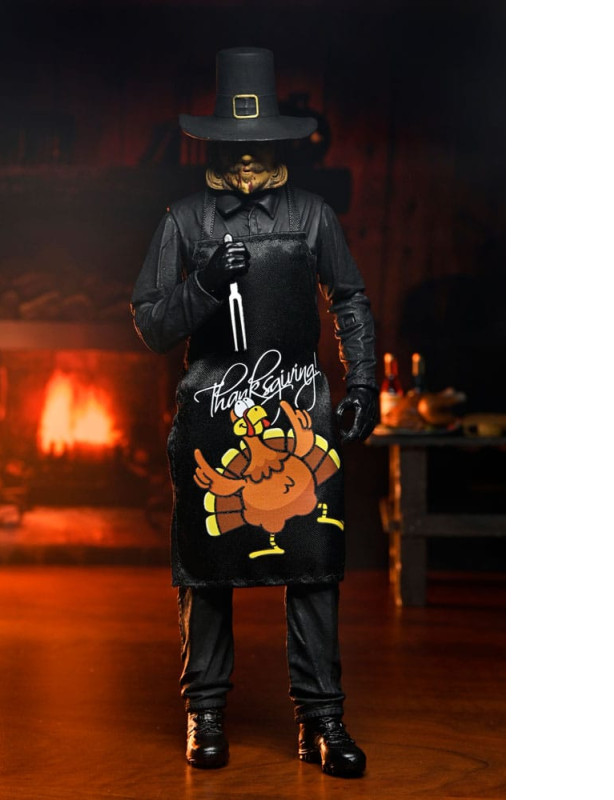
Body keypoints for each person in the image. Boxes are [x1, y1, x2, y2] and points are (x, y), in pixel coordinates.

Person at [130, 47, 378, 779]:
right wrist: (204, 284)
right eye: (233, 144)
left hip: (298, 408)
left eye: (258, 143)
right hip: (213, 415)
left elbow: (350, 300)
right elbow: (150, 323)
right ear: (213, 144)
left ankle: (322, 720)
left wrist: (362, 385)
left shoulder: (313, 214)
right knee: (206, 569)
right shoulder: (184, 219)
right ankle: (204, 712)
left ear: (279, 144)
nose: (245, 157)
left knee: (314, 564)